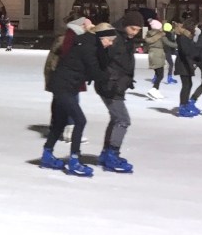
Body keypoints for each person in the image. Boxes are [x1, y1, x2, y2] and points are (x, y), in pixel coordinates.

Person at [40, 16, 101, 176]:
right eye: (88, 25)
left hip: (67, 83)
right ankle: (74, 159)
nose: (91, 27)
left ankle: (47, 154)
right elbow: (56, 61)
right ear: (82, 26)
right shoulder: (73, 39)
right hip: (64, 83)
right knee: (79, 119)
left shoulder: (75, 38)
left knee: (59, 120)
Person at [93, 11, 145, 172]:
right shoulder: (114, 38)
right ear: (125, 25)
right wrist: (110, 79)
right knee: (123, 120)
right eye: (132, 28)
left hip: (117, 84)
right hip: (110, 85)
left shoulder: (125, 38)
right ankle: (111, 155)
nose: (134, 33)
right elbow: (101, 59)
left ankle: (106, 153)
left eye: (137, 30)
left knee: (116, 118)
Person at [173, 19, 201, 117]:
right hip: (183, 64)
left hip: (186, 63)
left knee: (188, 84)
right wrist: (191, 62)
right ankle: (182, 107)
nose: (195, 29)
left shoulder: (187, 36)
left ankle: (185, 104)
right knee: (186, 85)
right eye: (194, 27)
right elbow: (186, 51)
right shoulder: (183, 37)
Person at [144, 19, 170, 99]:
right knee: (160, 75)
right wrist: (178, 45)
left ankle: (156, 91)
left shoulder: (149, 34)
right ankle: (154, 89)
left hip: (152, 55)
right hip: (158, 55)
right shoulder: (160, 35)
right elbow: (169, 43)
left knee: (158, 74)